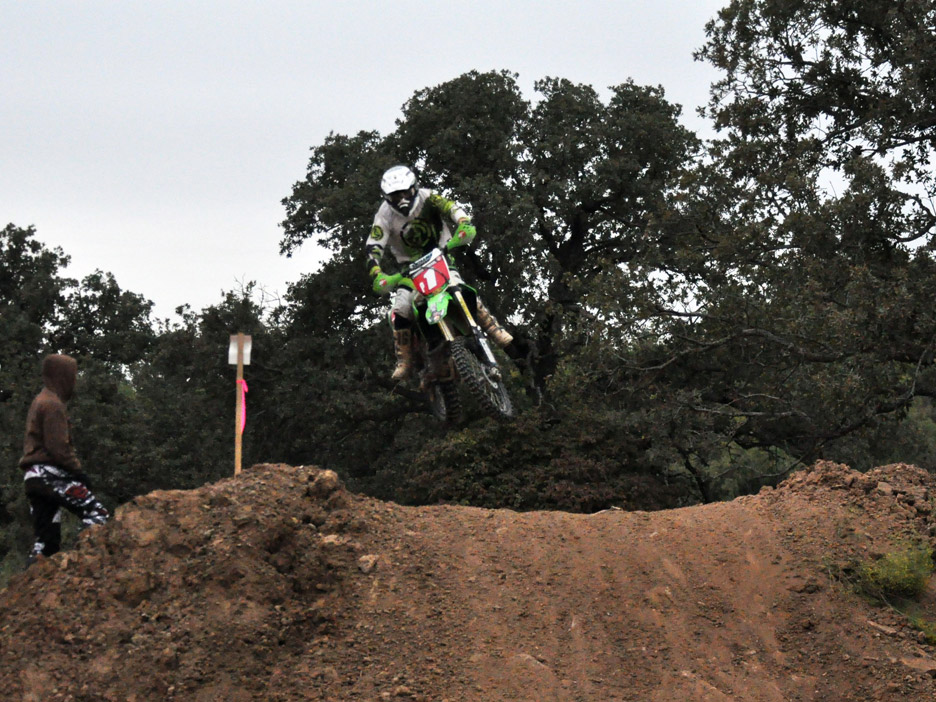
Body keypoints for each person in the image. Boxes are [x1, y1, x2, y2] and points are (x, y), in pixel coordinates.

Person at [366, 165, 514, 380]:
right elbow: (374, 244)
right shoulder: (384, 215)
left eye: (405, 192)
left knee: (457, 287)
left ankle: (493, 329)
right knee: (401, 309)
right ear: (387, 196)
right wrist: (376, 272)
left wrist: (463, 222)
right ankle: (404, 360)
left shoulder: (428, 197)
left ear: (414, 187)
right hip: (410, 271)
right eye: (396, 195)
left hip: (440, 258)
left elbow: (451, 207)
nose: (402, 199)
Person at [19, 353, 109, 565]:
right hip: (51, 475)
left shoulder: (39, 401)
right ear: (61, 377)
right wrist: (78, 473)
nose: (74, 382)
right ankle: (87, 564)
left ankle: (33, 580)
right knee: (97, 514)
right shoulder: (53, 405)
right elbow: (58, 448)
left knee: (46, 542)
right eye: (72, 376)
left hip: (33, 478)